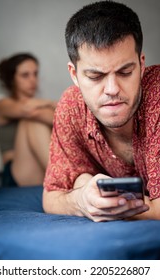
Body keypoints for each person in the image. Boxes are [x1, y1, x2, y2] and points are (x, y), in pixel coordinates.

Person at [43, 1, 160, 222]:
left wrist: (90, 193)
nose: (112, 90)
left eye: (125, 72)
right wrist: (81, 200)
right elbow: (51, 195)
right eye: (95, 77)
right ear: (74, 75)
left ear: (141, 65)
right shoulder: (71, 106)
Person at [0, 52, 57, 187]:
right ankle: (62, 177)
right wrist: (52, 103)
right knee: (30, 119)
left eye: (35, 74)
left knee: (40, 119)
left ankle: (61, 176)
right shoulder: (3, 104)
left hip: (41, 170)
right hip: (14, 173)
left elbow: (59, 120)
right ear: (12, 79)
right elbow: (26, 109)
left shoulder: (41, 106)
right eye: (25, 75)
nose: (33, 80)